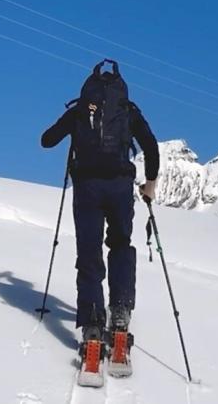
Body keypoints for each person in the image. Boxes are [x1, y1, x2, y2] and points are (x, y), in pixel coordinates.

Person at [41, 60, 159, 345]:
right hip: (120, 187)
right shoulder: (128, 112)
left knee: (89, 251)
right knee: (120, 244)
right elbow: (151, 147)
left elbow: (47, 140)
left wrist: (73, 125)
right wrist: (150, 185)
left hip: (87, 187)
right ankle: (119, 312)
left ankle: (93, 322)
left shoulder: (81, 110)